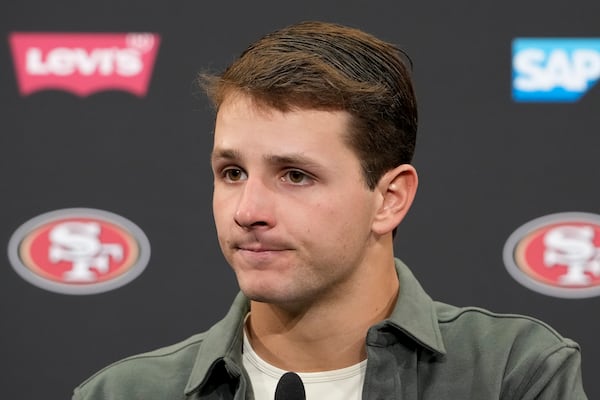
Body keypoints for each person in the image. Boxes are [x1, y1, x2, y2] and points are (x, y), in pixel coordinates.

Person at [72, 21, 587, 399]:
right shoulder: (122, 393)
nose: (247, 210)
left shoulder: (513, 374)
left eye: (295, 175)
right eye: (232, 173)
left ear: (390, 199)